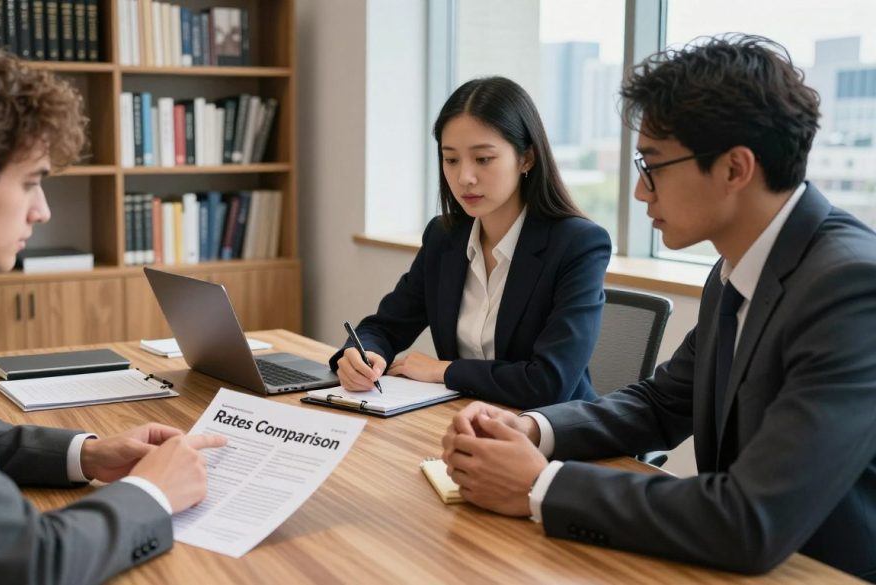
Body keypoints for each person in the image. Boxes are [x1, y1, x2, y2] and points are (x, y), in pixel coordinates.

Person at [440, 34, 876, 580]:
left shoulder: (852, 287)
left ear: (735, 169)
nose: (642, 193)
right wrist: (530, 428)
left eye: (653, 166)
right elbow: (661, 404)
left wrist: (538, 485)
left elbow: (751, 517)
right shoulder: (739, 268)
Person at [0, 39, 227, 584]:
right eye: (30, 183)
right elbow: (27, 565)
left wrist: (88, 453)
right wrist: (152, 492)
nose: (43, 211)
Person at [331, 77, 611, 410]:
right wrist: (362, 355)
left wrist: (444, 371)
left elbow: (549, 383)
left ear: (527, 158)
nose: (464, 177)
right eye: (451, 160)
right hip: (462, 422)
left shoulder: (577, 244)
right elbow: (385, 326)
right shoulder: (444, 238)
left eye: (483, 159)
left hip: (550, 436)